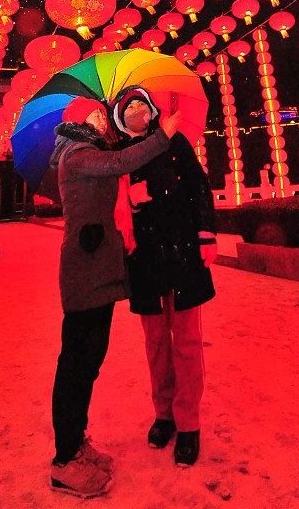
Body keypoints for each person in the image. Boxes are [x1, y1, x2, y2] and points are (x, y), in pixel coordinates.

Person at [49, 95, 182, 498]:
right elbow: (119, 163)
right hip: (84, 275)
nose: (103, 120)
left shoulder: (89, 151)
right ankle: (64, 461)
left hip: (98, 272)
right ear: (77, 121)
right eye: (94, 115)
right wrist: (162, 136)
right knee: (76, 367)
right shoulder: (76, 154)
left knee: (88, 364)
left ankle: (76, 443)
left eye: (102, 114)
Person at [112, 87, 217, 468]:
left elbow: (199, 187)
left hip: (182, 252)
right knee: (155, 343)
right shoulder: (120, 156)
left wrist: (206, 233)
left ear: (153, 110)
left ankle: (188, 422)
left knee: (186, 341)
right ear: (120, 118)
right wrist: (129, 198)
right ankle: (164, 413)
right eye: (129, 107)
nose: (138, 110)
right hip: (144, 260)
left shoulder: (176, 142)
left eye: (142, 103)